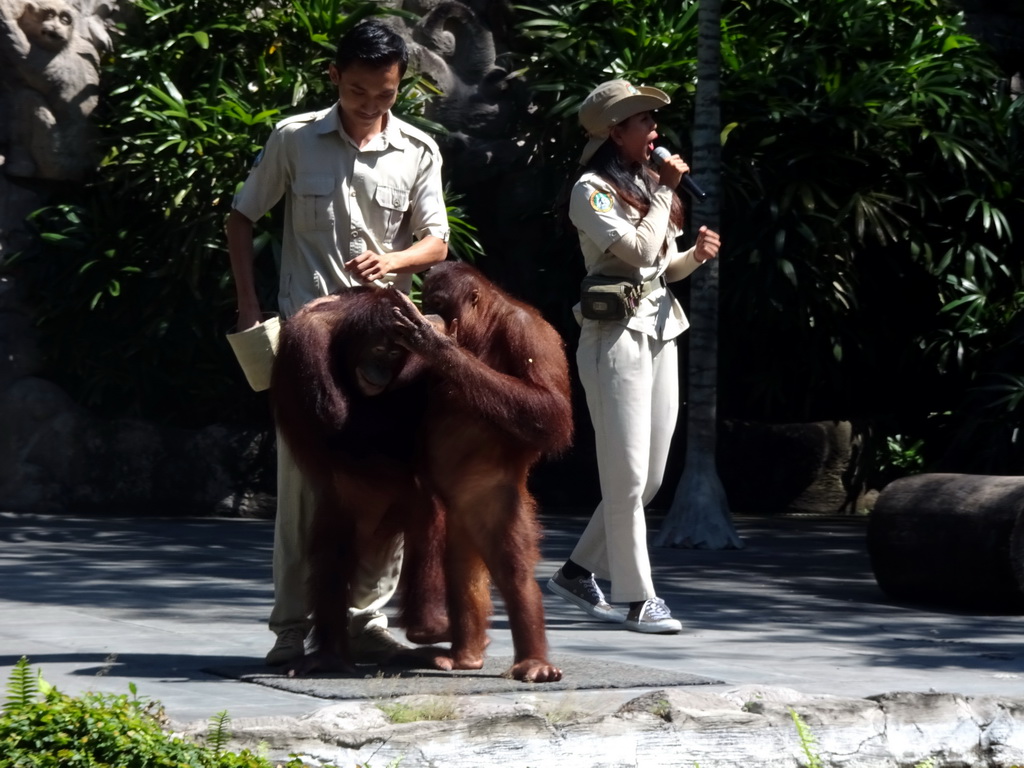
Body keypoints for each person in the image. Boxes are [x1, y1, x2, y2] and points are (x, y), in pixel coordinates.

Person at [226, 20, 450, 666]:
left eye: (384, 94)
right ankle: (291, 631)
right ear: (334, 77)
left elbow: (436, 241)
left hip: (384, 350)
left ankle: (364, 621)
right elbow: (242, 217)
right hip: (308, 347)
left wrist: (394, 258)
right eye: (357, 91)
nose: (371, 105)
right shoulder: (294, 139)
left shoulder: (419, 150)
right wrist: (249, 305)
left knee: (386, 483)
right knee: (301, 493)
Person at [547, 79, 721, 634]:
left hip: (661, 328)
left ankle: (578, 571)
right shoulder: (591, 191)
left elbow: (659, 267)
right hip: (613, 339)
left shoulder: (647, 185)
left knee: (648, 479)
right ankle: (637, 598)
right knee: (624, 476)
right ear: (613, 131)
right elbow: (638, 249)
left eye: (652, 120)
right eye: (643, 121)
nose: (655, 132)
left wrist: (693, 256)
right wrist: (668, 194)